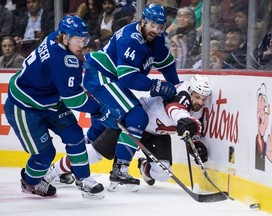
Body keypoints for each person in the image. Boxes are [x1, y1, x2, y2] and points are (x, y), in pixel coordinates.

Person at [45, 3, 180, 192]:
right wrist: (156, 86)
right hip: (101, 76)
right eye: (152, 25)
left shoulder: (156, 39)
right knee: (137, 117)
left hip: (108, 79)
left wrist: (176, 86)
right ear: (143, 21)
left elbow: (167, 63)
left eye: (160, 27)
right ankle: (120, 169)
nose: (156, 30)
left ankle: (58, 171)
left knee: (99, 133)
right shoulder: (130, 39)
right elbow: (129, 78)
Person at [4, 15, 119, 199]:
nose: (81, 44)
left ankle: (83, 178)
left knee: (74, 134)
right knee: (44, 155)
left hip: (50, 99)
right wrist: (100, 110)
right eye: (77, 40)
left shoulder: (54, 37)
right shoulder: (63, 62)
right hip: (24, 106)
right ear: (65, 38)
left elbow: (68, 86)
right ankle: (29, 182)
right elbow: (74, 100)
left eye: (83, 40)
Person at [43, 75, 211, 187]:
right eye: (197, 97)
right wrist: (184, 119)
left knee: (162, 174)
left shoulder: (199, 106)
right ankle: (54, 171)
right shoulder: (182, 94)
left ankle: (142, 166)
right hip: (134, 123)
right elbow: (175, 108)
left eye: (203, 99)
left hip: (156, 134)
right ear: (190, 91)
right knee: (94, 155)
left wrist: (195, 142)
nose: (200, 102)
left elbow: (190, 127)